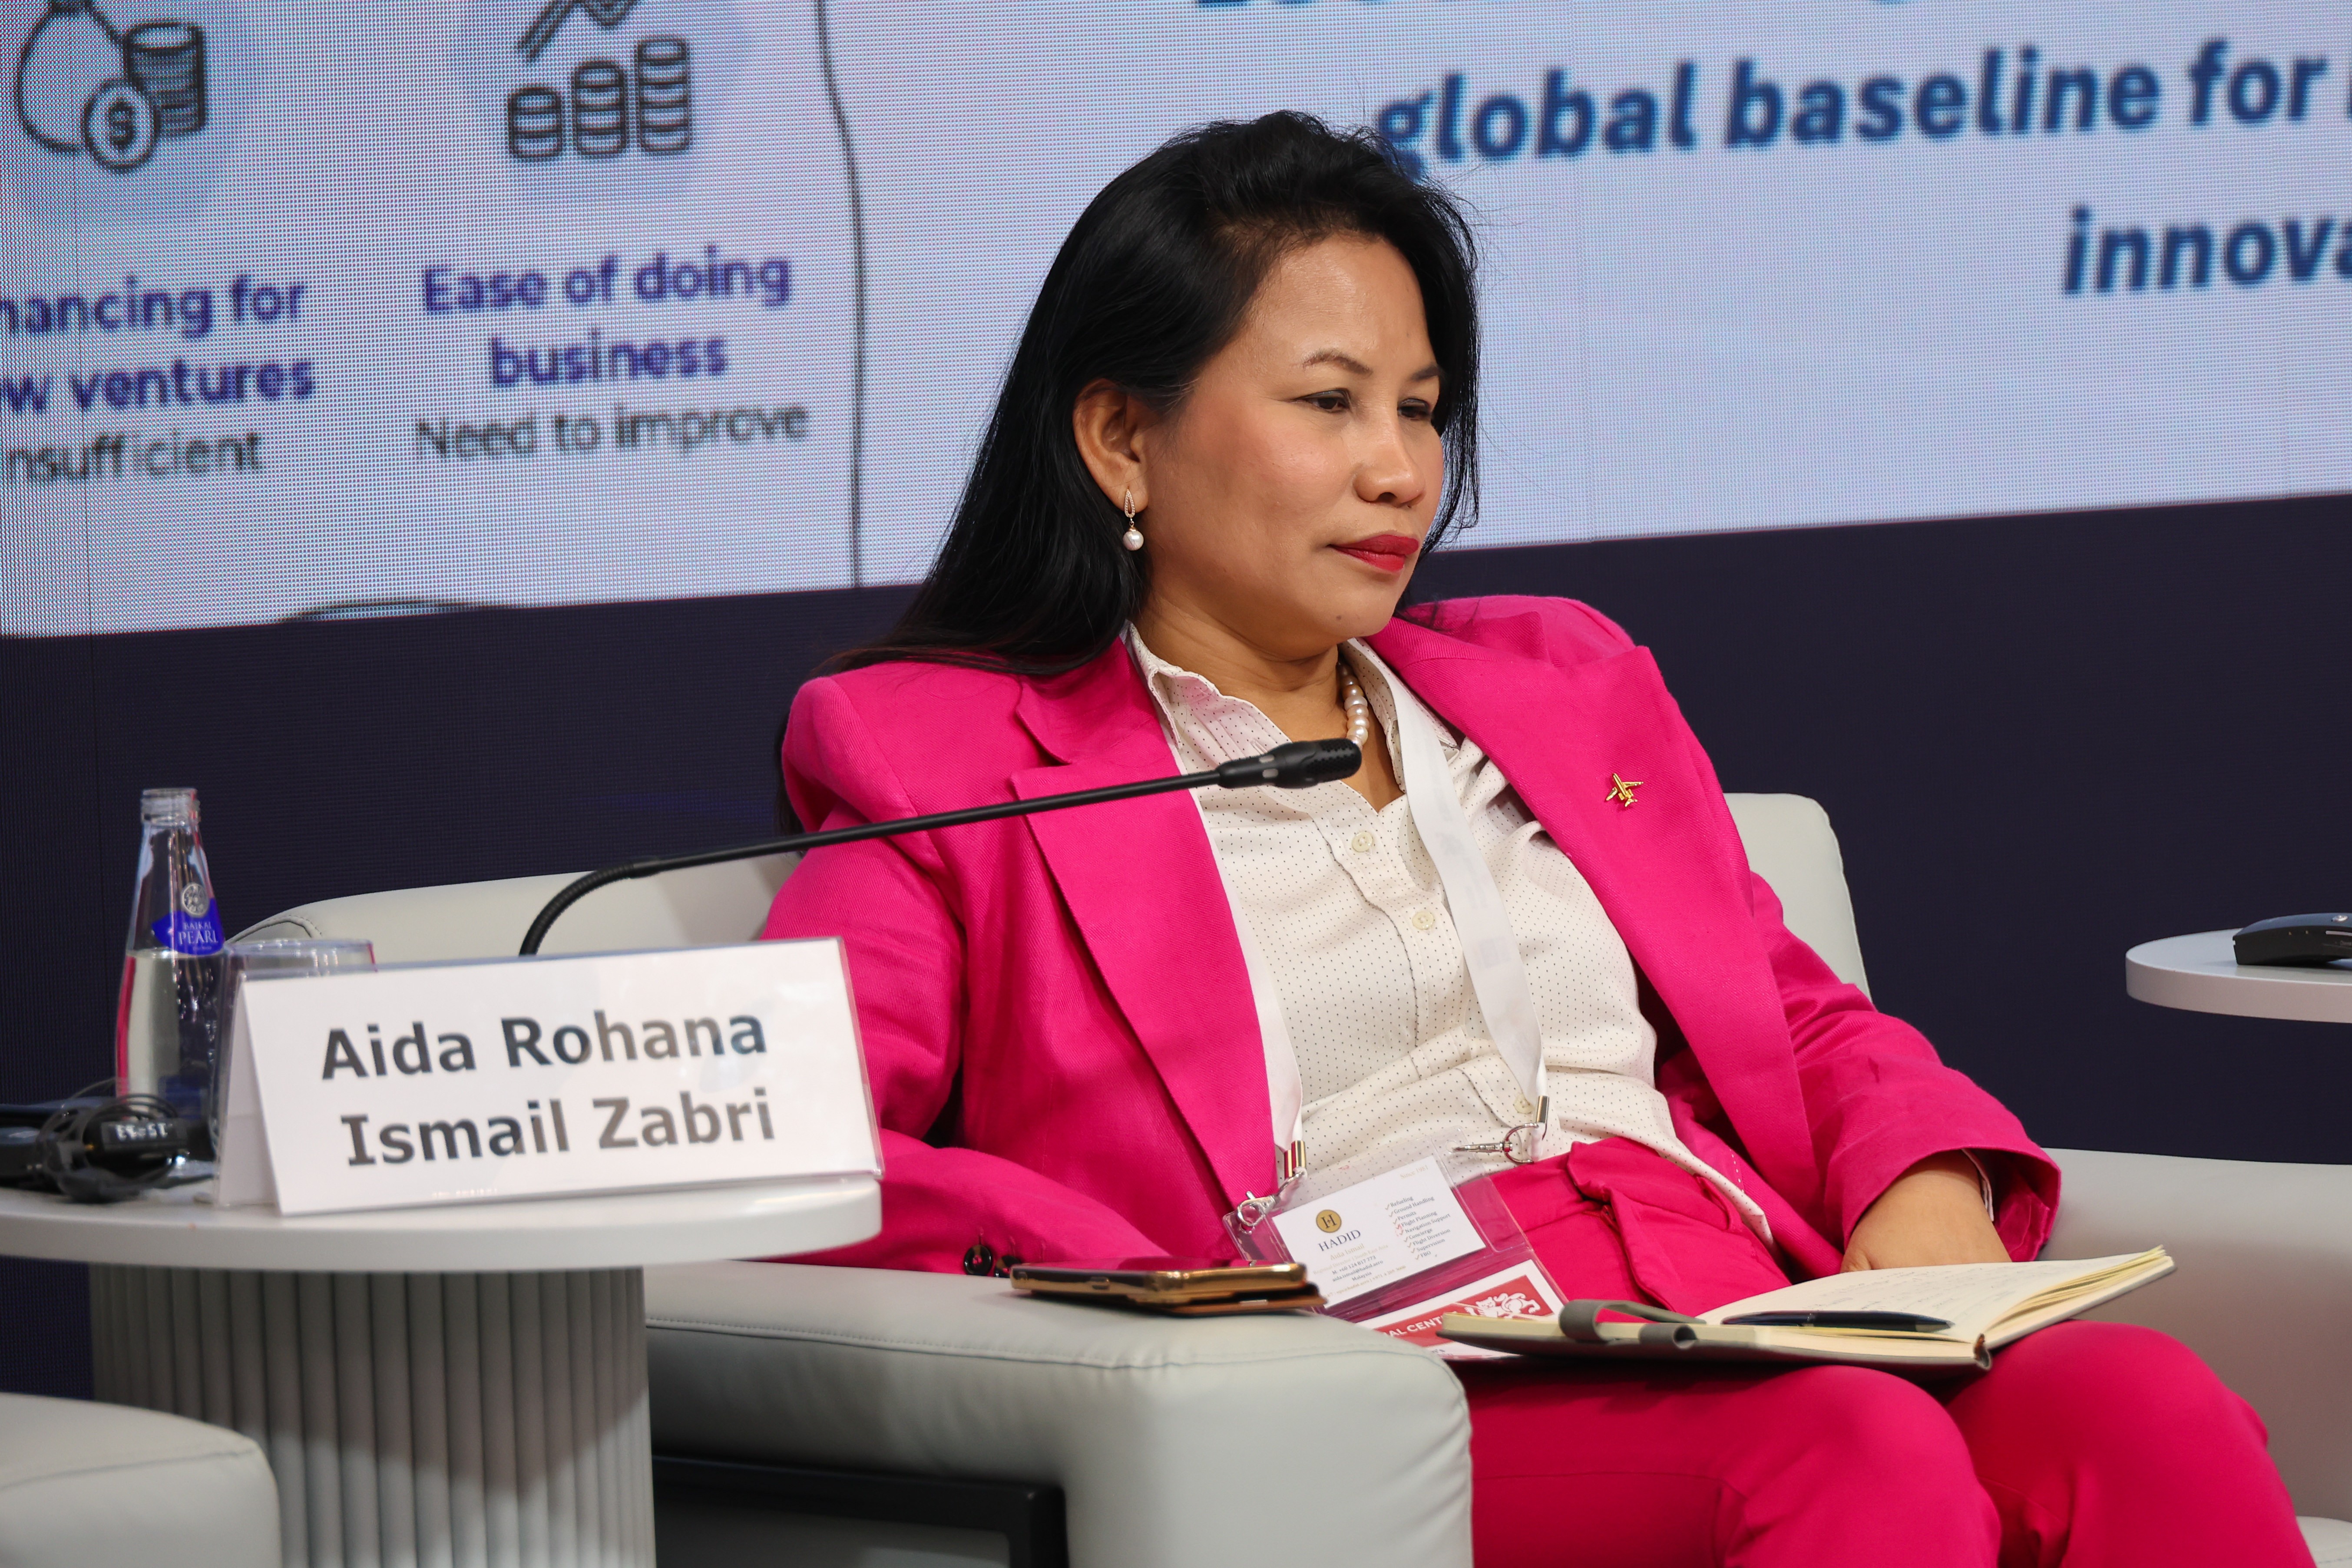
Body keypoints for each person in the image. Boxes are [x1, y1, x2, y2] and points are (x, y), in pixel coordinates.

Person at [763, 112, 2309, 1566]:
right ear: (1120, 436)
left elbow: (1787, 1012)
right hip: (1384, 1372)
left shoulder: (1557, 683)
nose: (1400, 468)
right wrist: (1158, 1286)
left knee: (2142, 1406)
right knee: (1846, 1450)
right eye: (1329, 402)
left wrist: (1921, 1176)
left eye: (1420, 406)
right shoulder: (946, 761)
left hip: (1727, 1299)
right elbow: (799, 1143)